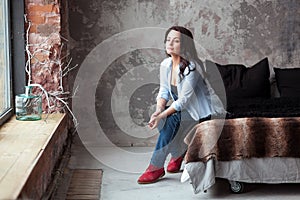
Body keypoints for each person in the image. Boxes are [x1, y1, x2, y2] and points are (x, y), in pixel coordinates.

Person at [137, 26, 225, 184]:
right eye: (168, 39)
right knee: (163, 119)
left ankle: (155, 166)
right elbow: (164, 90)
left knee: (169, 120)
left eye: (176, 40)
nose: (170, 43)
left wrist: (163, 115)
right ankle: (178, 154)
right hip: (185, 110)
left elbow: (184, 100)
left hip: (203, 112)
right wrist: (158, 110)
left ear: (185, 45)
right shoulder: (165, 64)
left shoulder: (192, 67)